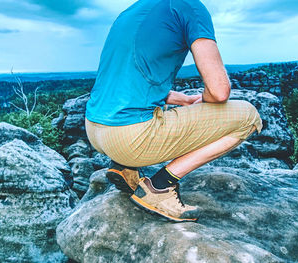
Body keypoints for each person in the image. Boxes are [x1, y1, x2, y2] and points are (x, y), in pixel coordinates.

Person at [85, 0, 262, 222]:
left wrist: (186, 100)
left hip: (95, 129)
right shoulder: (189, 7)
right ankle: (159, 188)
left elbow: (133, 82)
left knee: (151, 111)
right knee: (248, 116)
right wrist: (204, 100)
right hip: (130, 137)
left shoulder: (131, 12)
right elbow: (219, 91)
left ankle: (125, 168)